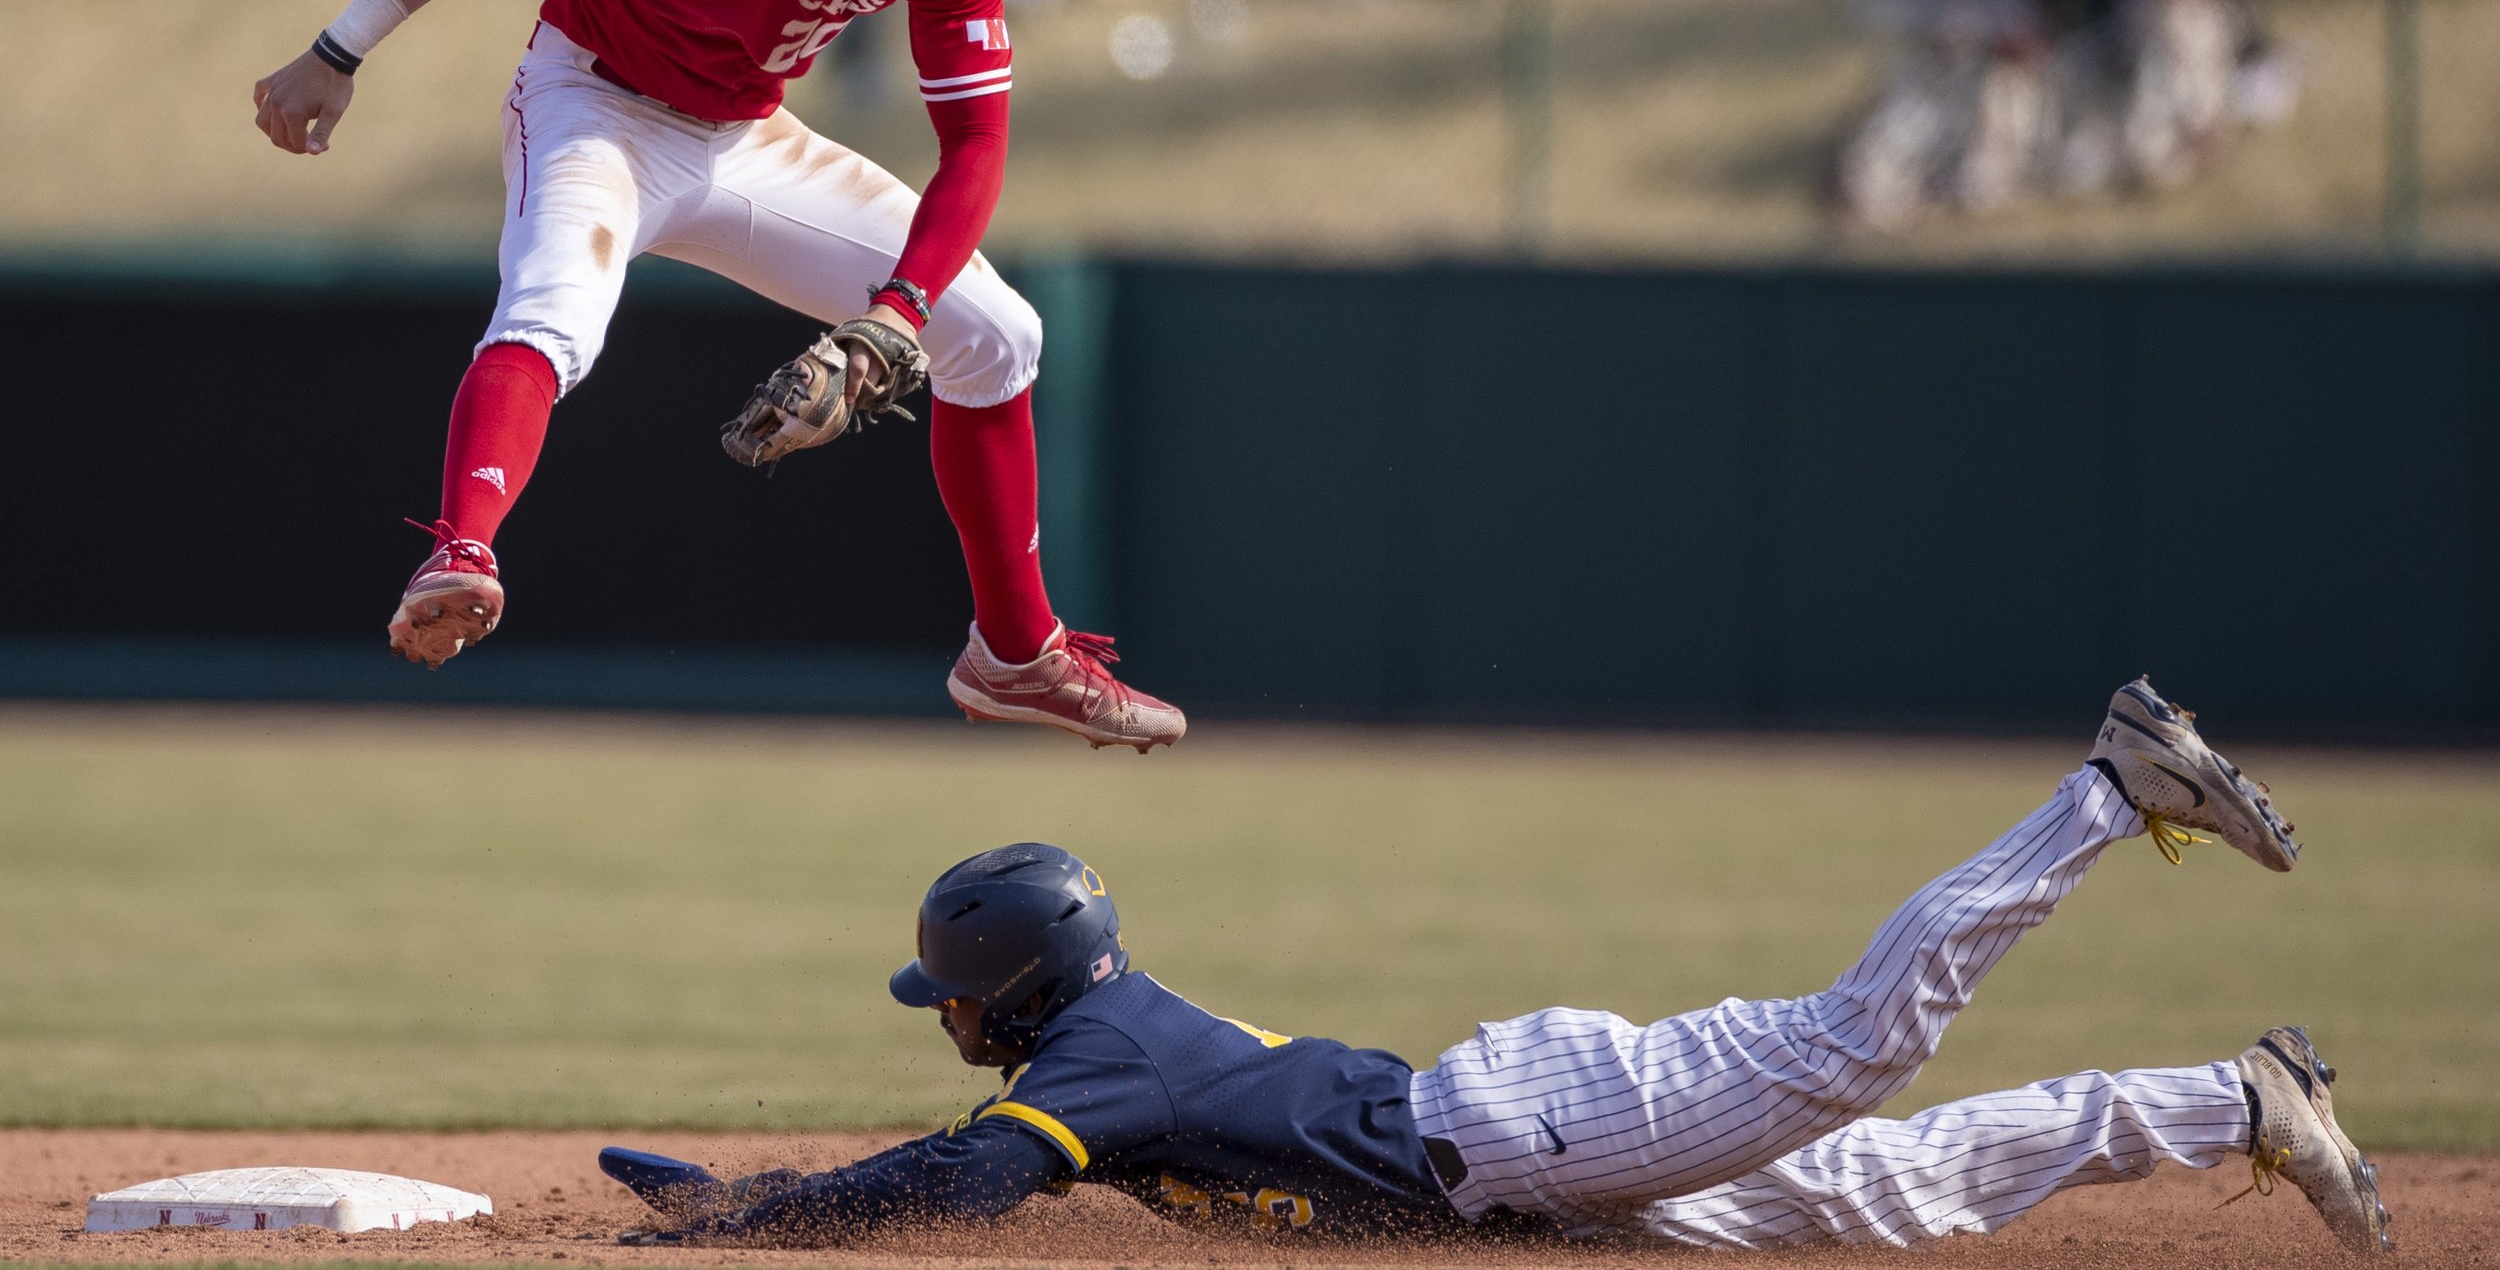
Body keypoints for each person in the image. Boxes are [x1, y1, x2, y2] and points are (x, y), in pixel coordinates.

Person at [247, 0, 1185, 752]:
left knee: (999, 330)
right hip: (595, 101)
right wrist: (337, 50)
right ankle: (462, 549)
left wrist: (898, 315)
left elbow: (976, 141)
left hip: (746, 136)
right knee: (555, 307)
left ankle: (1016, 654)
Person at [598, 680, 2392, 1254]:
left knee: (1858, 1048)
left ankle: (2105, 788)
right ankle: (2237, 1098)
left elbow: (969, 1184)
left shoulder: (1097, 1070)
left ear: (1011, 987)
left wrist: (756, 1217)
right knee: (1886, 1194)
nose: (953, 1026)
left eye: (954, 995)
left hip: (1529, 1129)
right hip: (1531, 1180)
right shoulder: (1103, 1048)